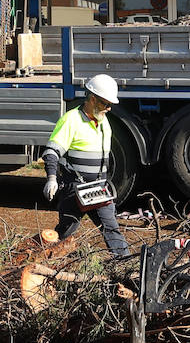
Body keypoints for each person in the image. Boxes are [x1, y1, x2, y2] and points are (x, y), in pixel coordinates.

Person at [42, 73, 128, 258]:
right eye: (105, 104)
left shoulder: (104, 122)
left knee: (112, 229)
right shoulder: (71, 120)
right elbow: (51, 152)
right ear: (92, 99)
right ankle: (48, 264)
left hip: (98, 189)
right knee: (65, 233)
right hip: (75, 189)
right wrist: (51, 179)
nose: (109, 108)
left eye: (110, 104)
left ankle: (126, 265)